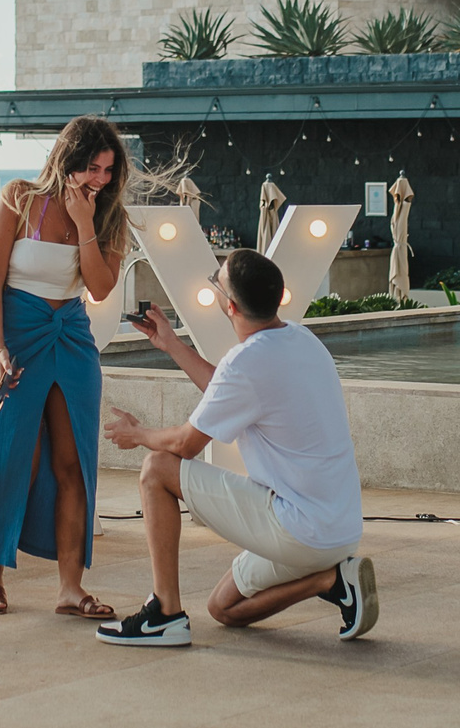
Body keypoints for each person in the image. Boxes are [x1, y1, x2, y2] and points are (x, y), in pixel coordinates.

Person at [98, 248, 376, 646]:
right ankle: (331, 580)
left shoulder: (246, 362)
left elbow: (185, 445)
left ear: (229, 305)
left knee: (157, 468)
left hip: (298, 528)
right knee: (223, 608)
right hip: (339, 531)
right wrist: (172, 345)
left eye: (217, 281)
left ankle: (164, 614)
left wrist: (138, 433)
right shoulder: (301, 339)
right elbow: (230, 389)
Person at [0, 116, 132, 619]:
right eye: (92, 168)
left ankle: (70, 588)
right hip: (15, 335)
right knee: (11, 459)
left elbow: (100, 288)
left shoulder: (110, 217)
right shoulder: (18, 198)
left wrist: (85, 223)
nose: (100, 180)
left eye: (108, 170)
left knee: (73, 464)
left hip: (71, 337)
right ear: (67, 162)